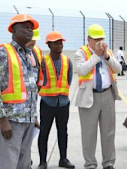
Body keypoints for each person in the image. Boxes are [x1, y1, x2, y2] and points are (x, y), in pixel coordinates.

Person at [75, 24, 121, 169]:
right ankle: (90, 163)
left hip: (107, 95)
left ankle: (108, 163)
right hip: (90, 97)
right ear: (88, 39)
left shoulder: (108, 52)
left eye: (101, 39)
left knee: (108, 132)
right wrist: (96, 55)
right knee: (89, 134)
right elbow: (82, 70)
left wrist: (106, 56)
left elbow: (118, 69)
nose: (99, 42)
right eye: (96, 39)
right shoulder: (81, 53)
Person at [0, 14, 39, 169]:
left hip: (28, 120)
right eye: (25, 27)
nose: (30, 30)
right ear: (14, 30)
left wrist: (34, 115)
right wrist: (2, 119)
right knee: (8, 163)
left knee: (24, 164)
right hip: (11, 121)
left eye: (31, 27)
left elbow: (31, 87)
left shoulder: (30, 55)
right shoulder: (3, 53)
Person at [37, 31, 75, 169]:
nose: (60, 45)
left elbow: (68, 80)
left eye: (61, 43)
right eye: (57, 43)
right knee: (44, 132)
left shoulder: (67, 61)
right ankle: (42, 161)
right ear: (49, 45)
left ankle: (63, 159)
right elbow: (40, 80)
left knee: (63, 131)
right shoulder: (43, 61)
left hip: (63, 102)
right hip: (47, 102)